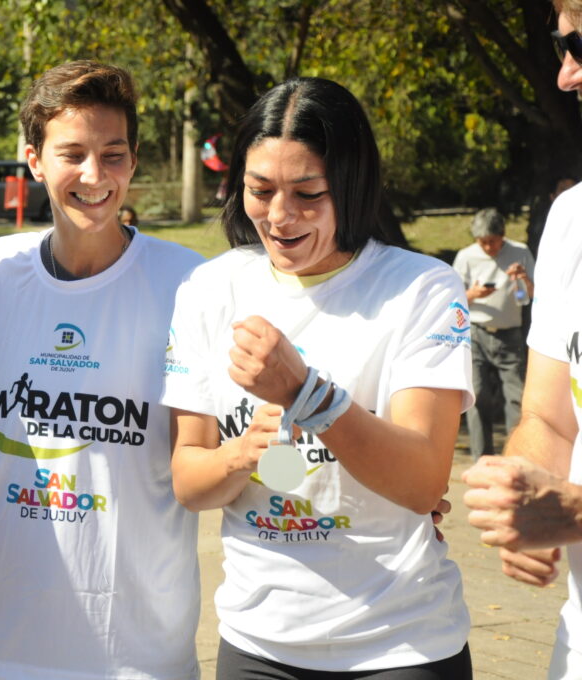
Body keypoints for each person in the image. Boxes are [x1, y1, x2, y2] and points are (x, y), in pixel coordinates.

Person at [162, 77, 473, 678]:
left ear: (352, 185)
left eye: (308, 193)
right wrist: (240, 454)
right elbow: (189, 483)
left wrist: (307, 395)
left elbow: (422, 482)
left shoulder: (420, 288)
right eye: (260, 190)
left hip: (401, 644)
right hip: (258, 644)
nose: (280, 216)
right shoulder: (210, 289)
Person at [0, 61, 205, 680]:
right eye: (72, 154)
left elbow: (242, 430)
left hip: (137, 656)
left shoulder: (189, 283)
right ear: (33, 161)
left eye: (113, 155)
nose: (94, 176)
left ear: (133, 161)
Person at [462, 2, 582, 677]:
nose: (566, 75)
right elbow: (549, 418)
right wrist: (523, 491)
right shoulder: (570, 220)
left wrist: (573, 510)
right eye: (561, 48)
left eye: (578, 46)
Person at [452, 208, 534, 460]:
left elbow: (534, 294)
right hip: (475, 333)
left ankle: (517, 458)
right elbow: (452, 299)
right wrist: (473, 294)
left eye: (493, 241)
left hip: (510, 334)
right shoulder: (466, 256)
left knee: (517, 398)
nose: (488, 247)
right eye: (483, 242)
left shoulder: (520, 251)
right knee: (477, 397)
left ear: (503, 235)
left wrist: (523, 278)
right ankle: (482, 459)